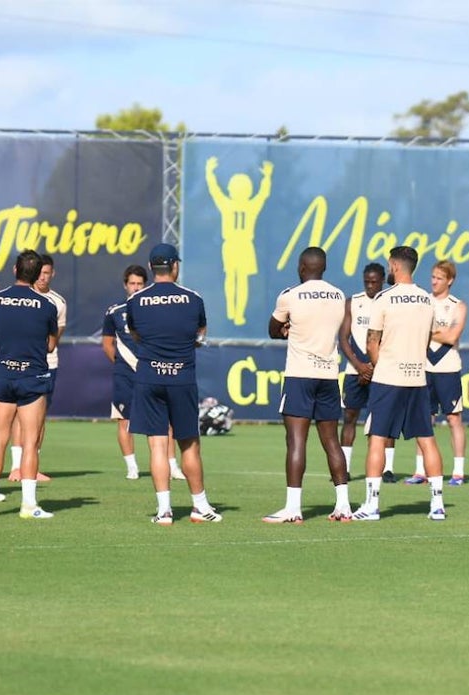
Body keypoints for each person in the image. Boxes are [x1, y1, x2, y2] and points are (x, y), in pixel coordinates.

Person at [126, 243, 221, 524]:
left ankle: (164, 510)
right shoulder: (193, 298)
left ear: (152, 267)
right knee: (189, 445)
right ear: (175, 266)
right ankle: (200, 506)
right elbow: (200, 333)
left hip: (149, 377)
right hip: (181, 378)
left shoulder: (136, 300)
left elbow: (136, 334)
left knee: (157, 445)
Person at [353, 246, 446, 522]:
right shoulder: (428, 300)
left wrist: (383, 365)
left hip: (388, 378)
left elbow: (372, 342)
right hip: (417, 378)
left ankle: (371, 505)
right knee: (427, 439)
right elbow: (427, 339)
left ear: (394, 265)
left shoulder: (383, 298)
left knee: (377, 439)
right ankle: (438, 504)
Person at [264, 246, 350, 523]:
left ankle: (293, 508)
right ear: (323, 268)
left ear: (302, 267)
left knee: (296, 441)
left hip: (300, 374)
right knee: (332, 442)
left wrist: (287, 330)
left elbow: (273, 329)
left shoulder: (290, 295)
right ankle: (344, 506)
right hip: (328, 375)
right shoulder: (338, 295)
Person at [0, 250, 59, 519]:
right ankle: (28, 505)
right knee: (29, 442)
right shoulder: (47, 305)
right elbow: (50, 344)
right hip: (32, 378)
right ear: (38, 275)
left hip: (3, 374)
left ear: (15, 270)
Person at [406, 260, 467, 486]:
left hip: (448, 368)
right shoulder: (423, 302)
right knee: (424, 419)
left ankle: (458, 471)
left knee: (453, 419)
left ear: (450, 280)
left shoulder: (457, 305)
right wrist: (437, 332)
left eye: (439, 278)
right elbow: (414, 331)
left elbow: (452, 337)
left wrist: (430, 332)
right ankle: (421, 470)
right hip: (424, 368)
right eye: (432, 277)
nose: (434, 281)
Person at [5, 253, 65, 482]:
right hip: (22, 363)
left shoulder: (57, 302)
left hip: (48, 364)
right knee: (17, 417)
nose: (42, 278)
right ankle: (15, 466)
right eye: (40, 273)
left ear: (52, 274)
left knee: (38, 418)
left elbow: (54, 339)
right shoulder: (15, 299)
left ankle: (32, 464)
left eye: (47, 273)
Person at [338, 263, 396, 481]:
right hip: (355, 370)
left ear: (382, 280)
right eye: (367, 282)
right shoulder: (353, 303)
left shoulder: (389, 302)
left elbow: (390, 337)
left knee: (383, 419)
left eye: (374, 282)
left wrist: (372, 366)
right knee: (350, 417)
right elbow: (344, 339)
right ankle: (344, 468)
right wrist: (360, 365)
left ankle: (387, 468)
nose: (370, 286)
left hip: (381, 370)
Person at [205, 156, 273, 326]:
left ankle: (238, 313)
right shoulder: (233, 205)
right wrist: (266, 177)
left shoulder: (242, 205)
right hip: (233, 245)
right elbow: (262, 194)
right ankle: (233, 311)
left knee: (239, 279)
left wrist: (267, 177)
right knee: (234, 278)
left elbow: (215, 190)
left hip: (242, 245)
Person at [102, 265, 148, 479]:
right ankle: (132, 466)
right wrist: (122, 363)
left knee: (162, 420)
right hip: (124, 374)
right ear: (125, 285)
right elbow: (107, 344)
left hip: (150, 371)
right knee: (124, 420)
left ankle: (171, 464)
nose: (136, 288)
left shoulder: (153, 308)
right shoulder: (114, 311)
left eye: (140, 283)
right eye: (132, 283)